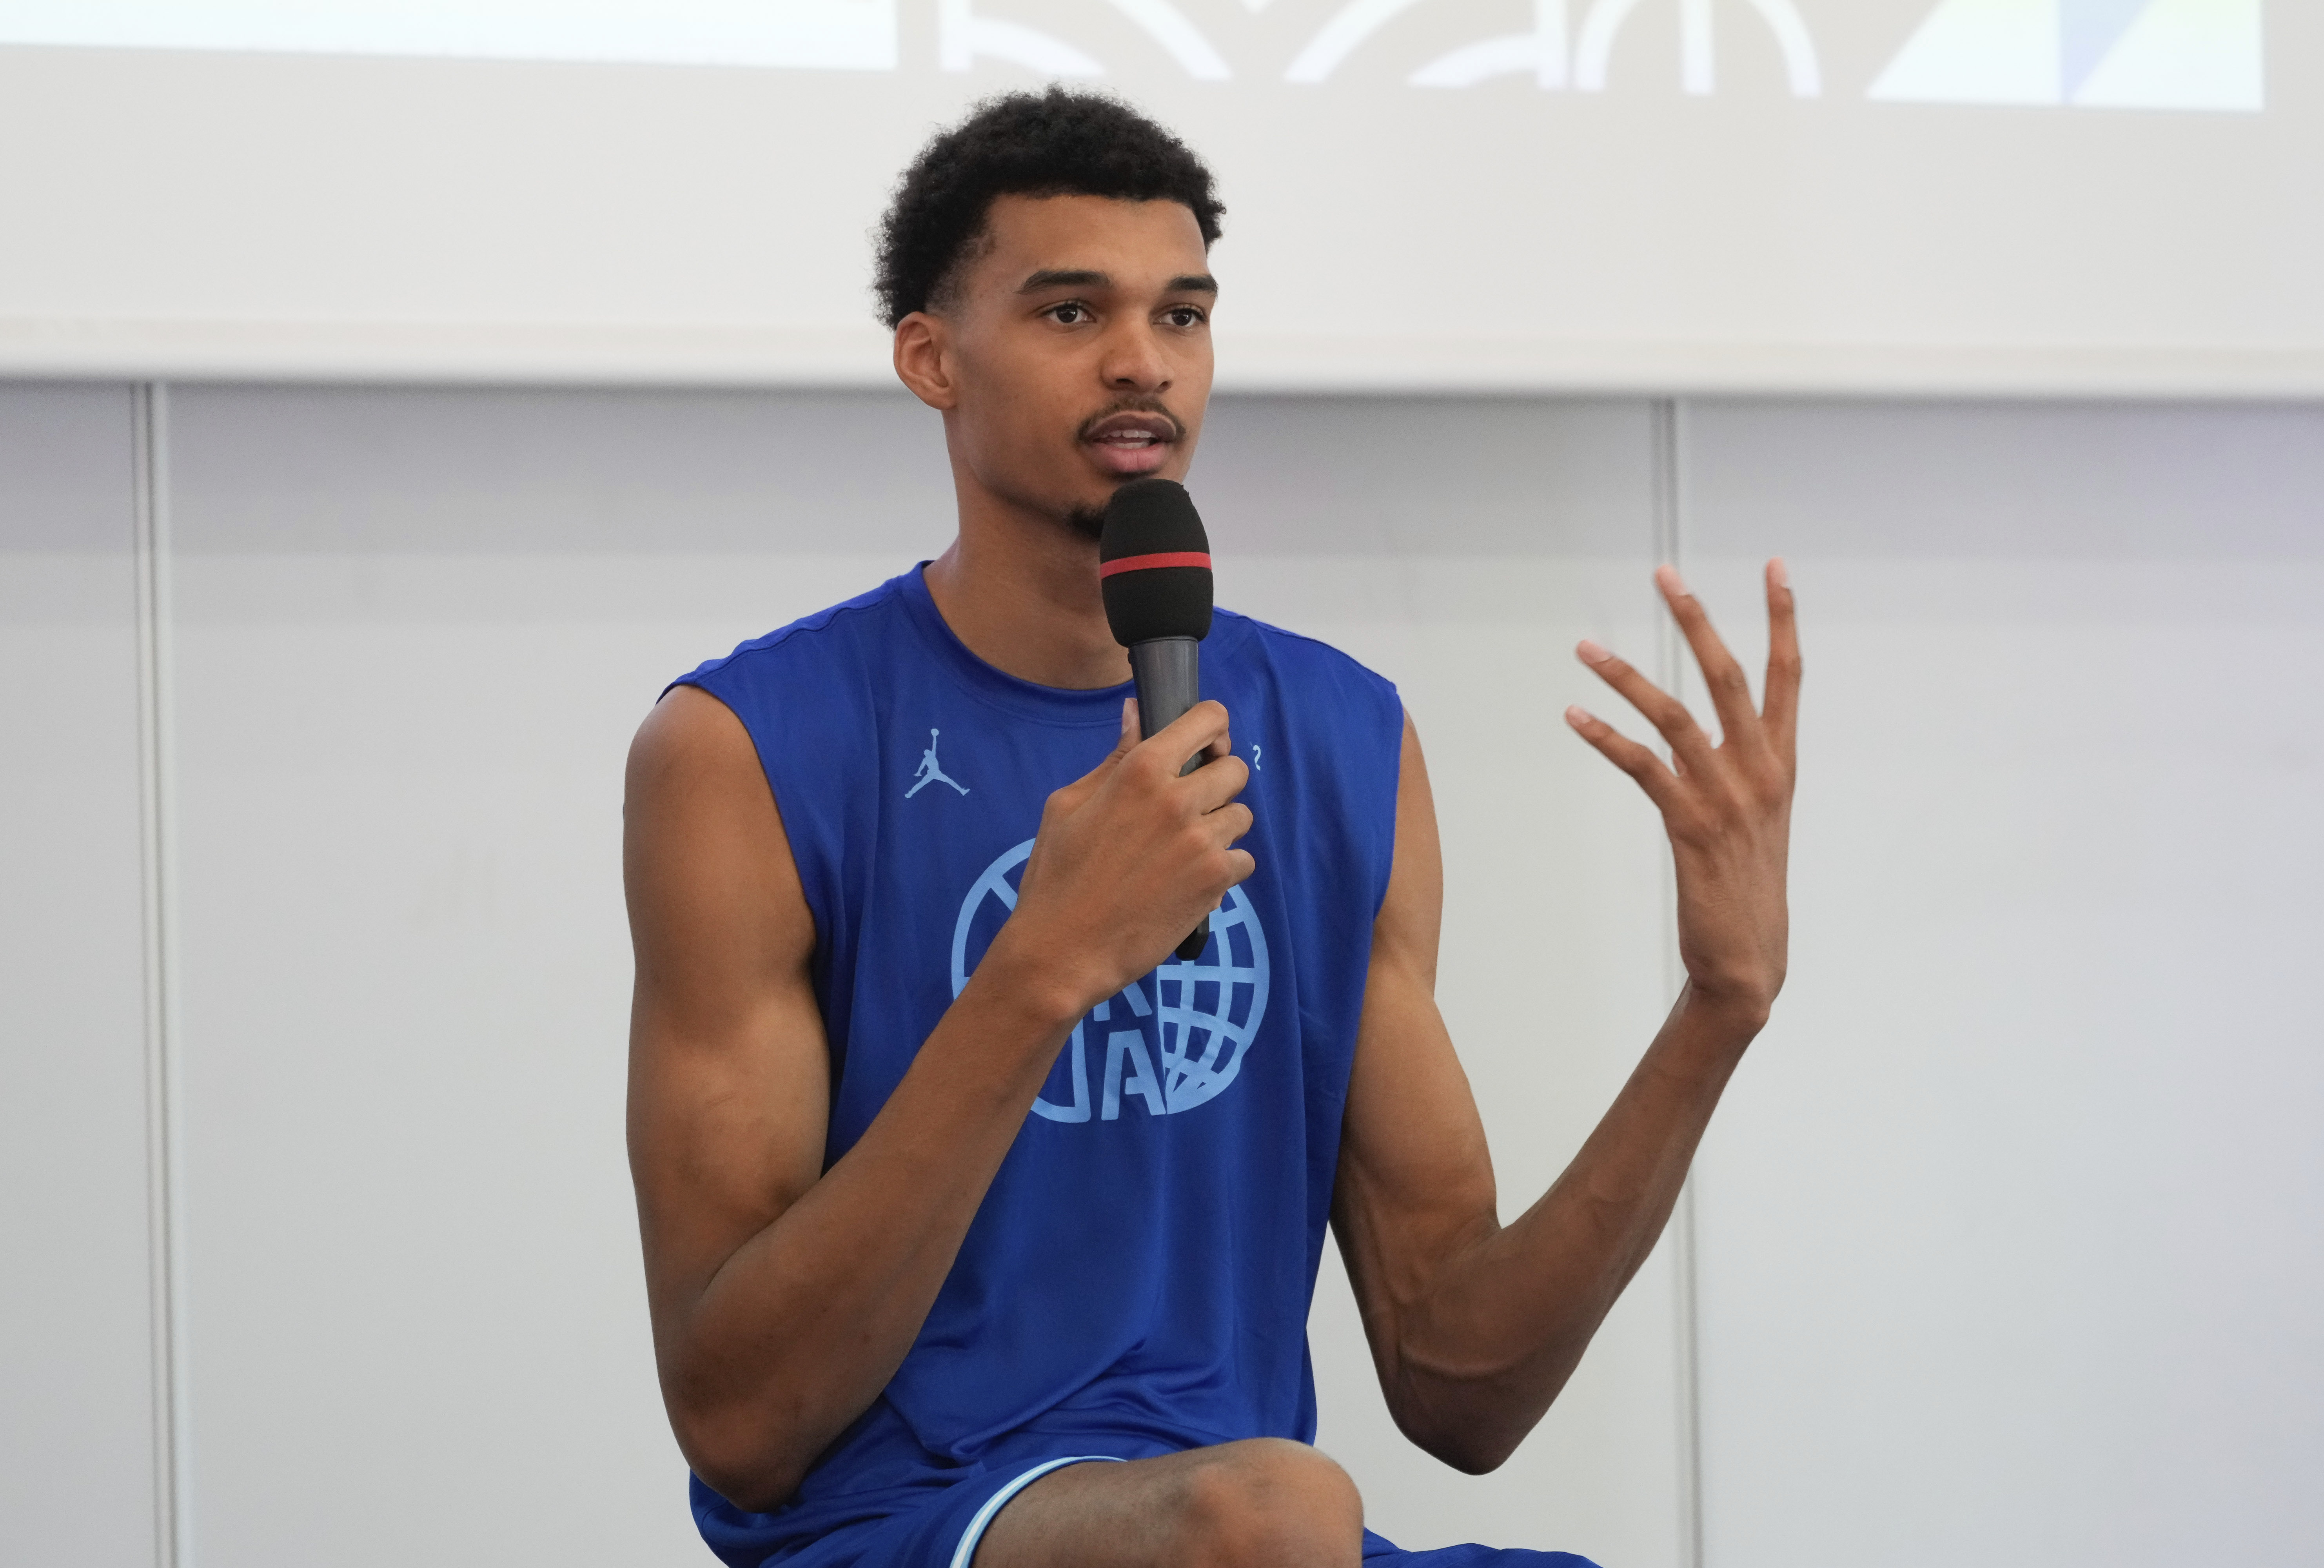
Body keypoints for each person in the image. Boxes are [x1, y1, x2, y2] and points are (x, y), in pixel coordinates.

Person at [623, 88, 1798, 1568]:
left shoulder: (1339, 735)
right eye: (1069, 313)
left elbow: (1459, 1383)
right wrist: (1040, 969)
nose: (1140, 363)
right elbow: (741, 1421)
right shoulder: (742, 748)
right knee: (1275, 1512)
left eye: (1182, 317)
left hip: (1247, 1525)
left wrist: (1717, 1014)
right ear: (931, 357)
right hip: (909, 1521)